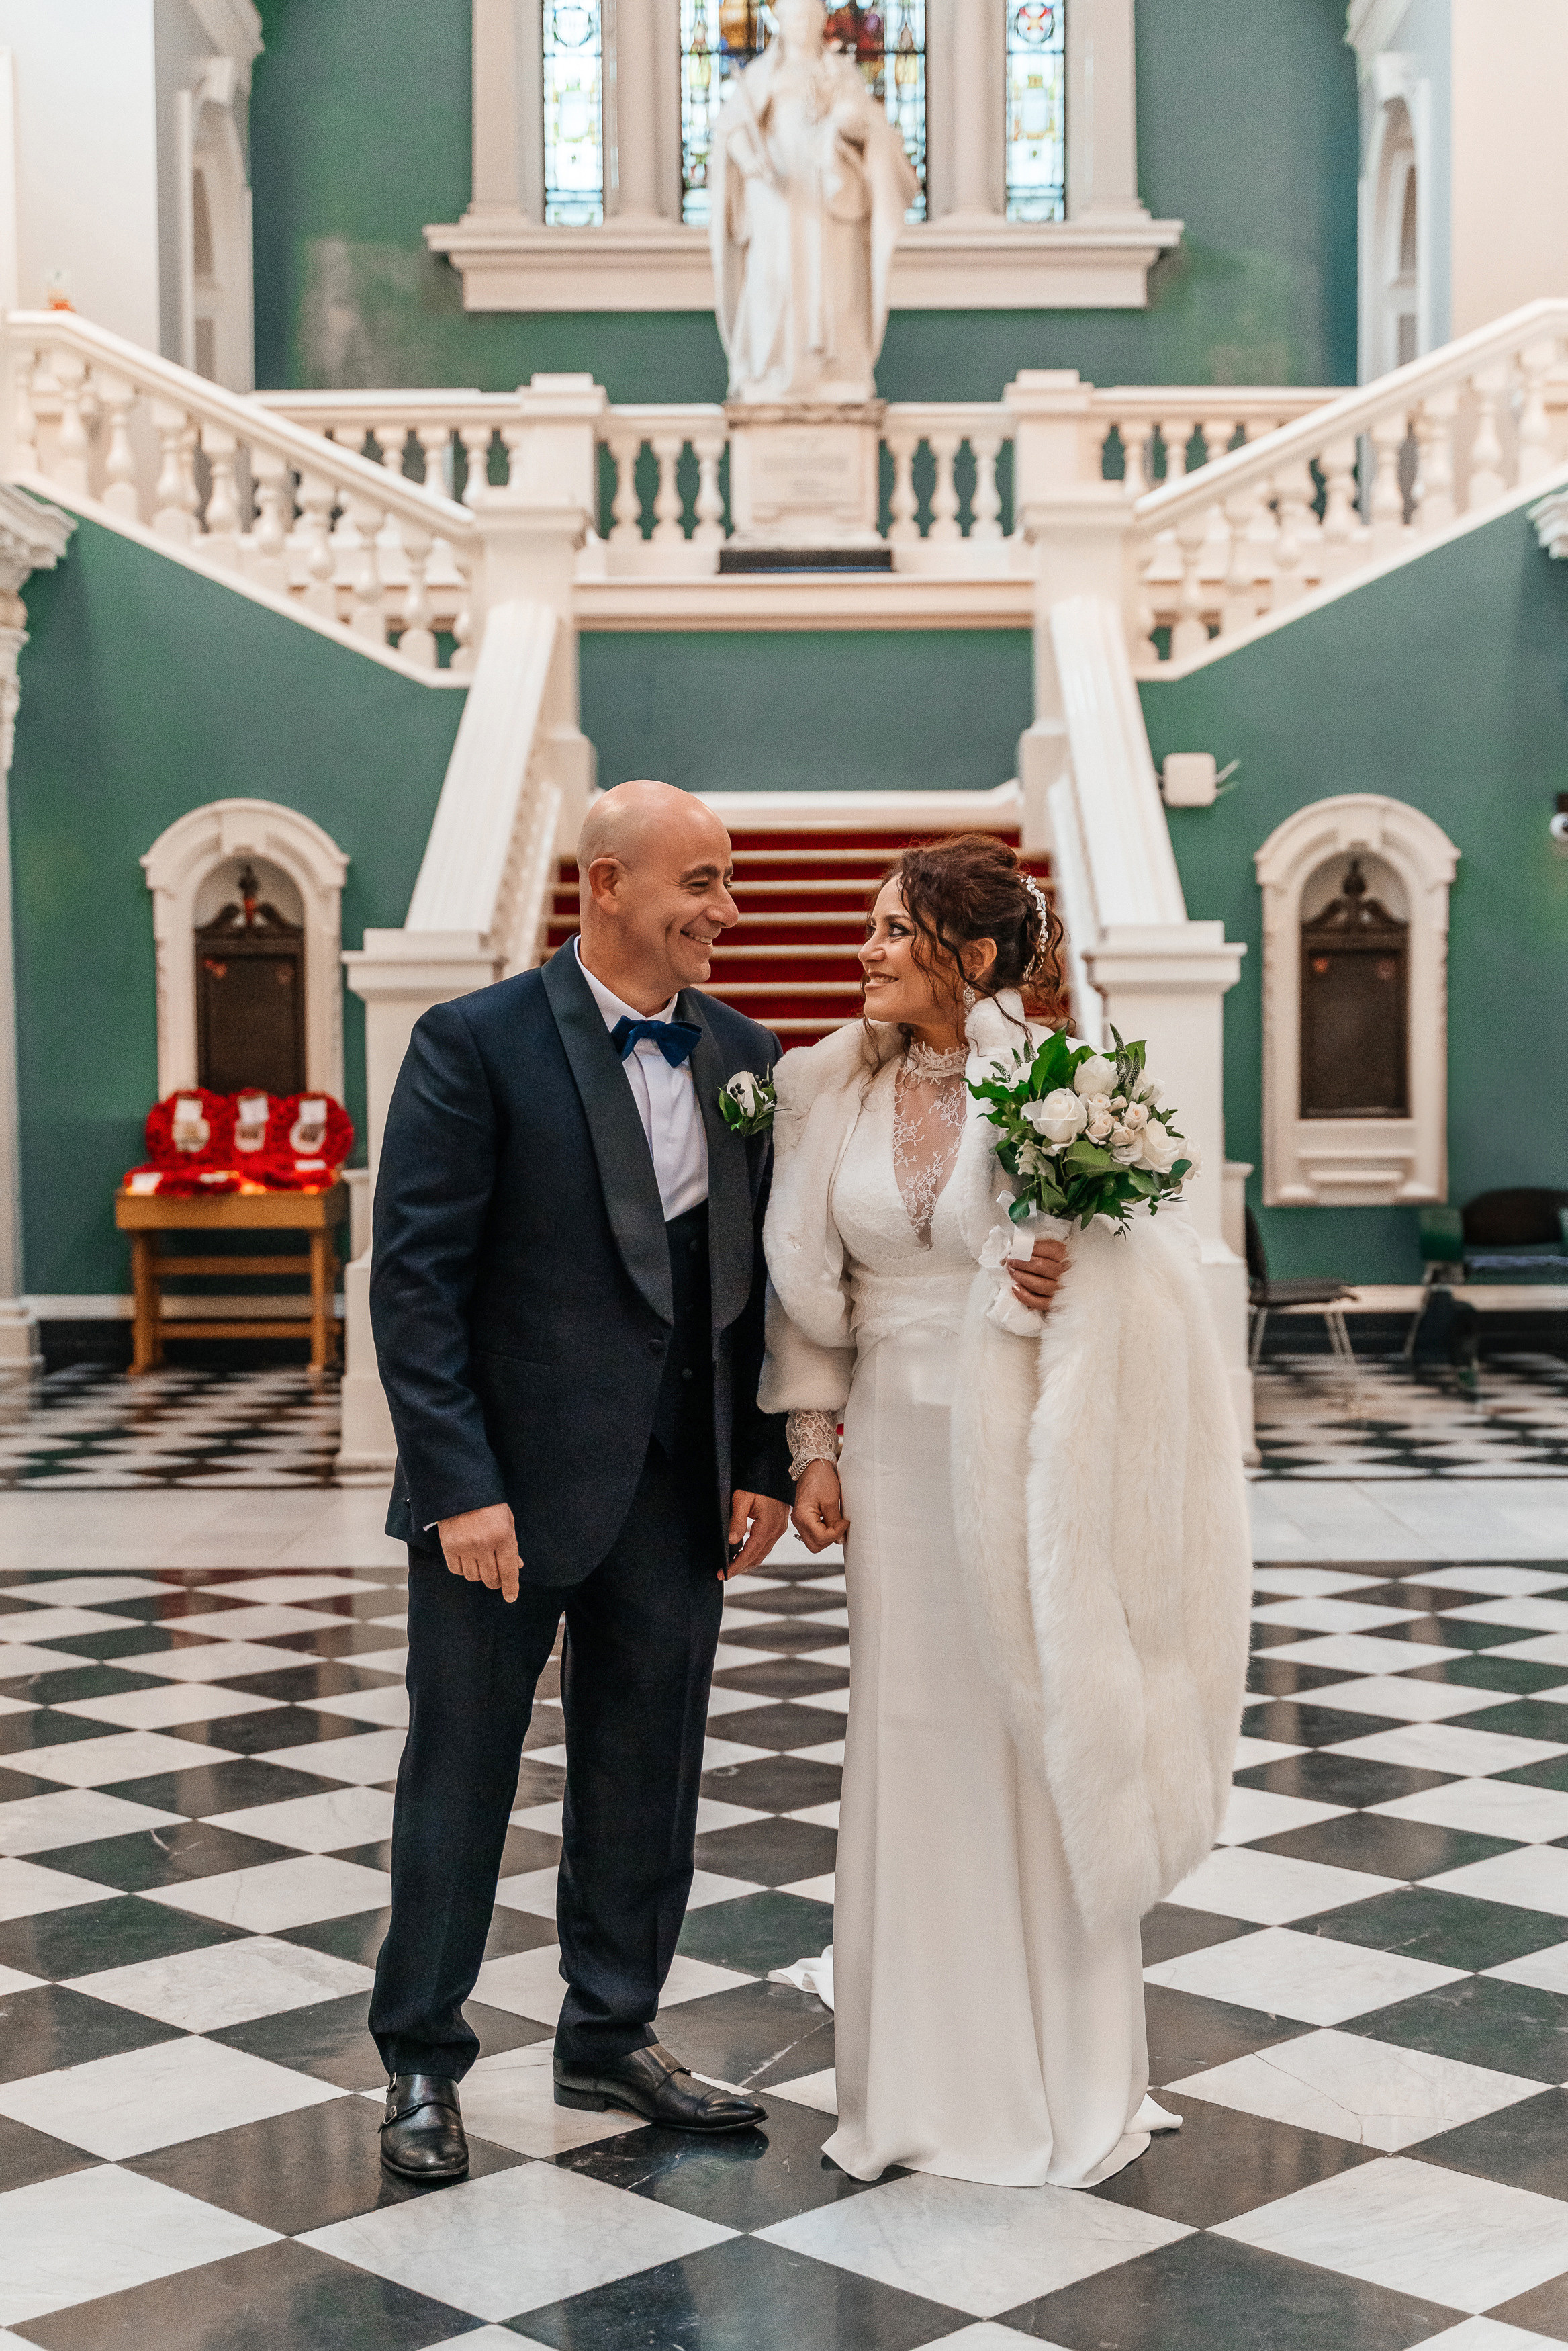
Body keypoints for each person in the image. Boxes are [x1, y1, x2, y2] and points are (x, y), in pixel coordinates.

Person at [762, 834, 1251, 2187]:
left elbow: (1141, 1269)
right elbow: (818, 1294)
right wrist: (811, 1442)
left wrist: (1058, 1275)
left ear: (970, 957)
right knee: (907, 1733)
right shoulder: (825, 1090)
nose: (862, 948)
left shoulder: (1054, 1085)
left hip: (1022, 1445)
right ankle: (921, 2077)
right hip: (890, 1459)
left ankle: (1066, 2069)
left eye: (892, 929)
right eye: (864, 924)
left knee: (1035, 1725)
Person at [367, 780, 793, 2181]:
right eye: (705, 883)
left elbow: (752, 1293)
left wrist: (766, 1463)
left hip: (676, 1497)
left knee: (646, 1774)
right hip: (501, 1501)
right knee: (461, 1777)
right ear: (606, 881)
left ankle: (613, 2027)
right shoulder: (474, 1042)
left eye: (729, 884)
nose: (727, 911)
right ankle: (423, 2057)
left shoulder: (741, 1053)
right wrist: (458, 1485)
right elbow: (415, 1286)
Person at [710, 0, 917, 403]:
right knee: (776, 278)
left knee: (833, 280)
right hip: (778, 195)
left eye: (811, 17)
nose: (803, 25)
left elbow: (868, 125)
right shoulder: (763, 73)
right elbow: (732, 126)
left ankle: (834, 368)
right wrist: (752, 161)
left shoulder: (841, 73)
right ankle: (773, 369)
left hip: (829, 191)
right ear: (782, 23)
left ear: (822, 22)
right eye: (796, 17)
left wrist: (843, 121)